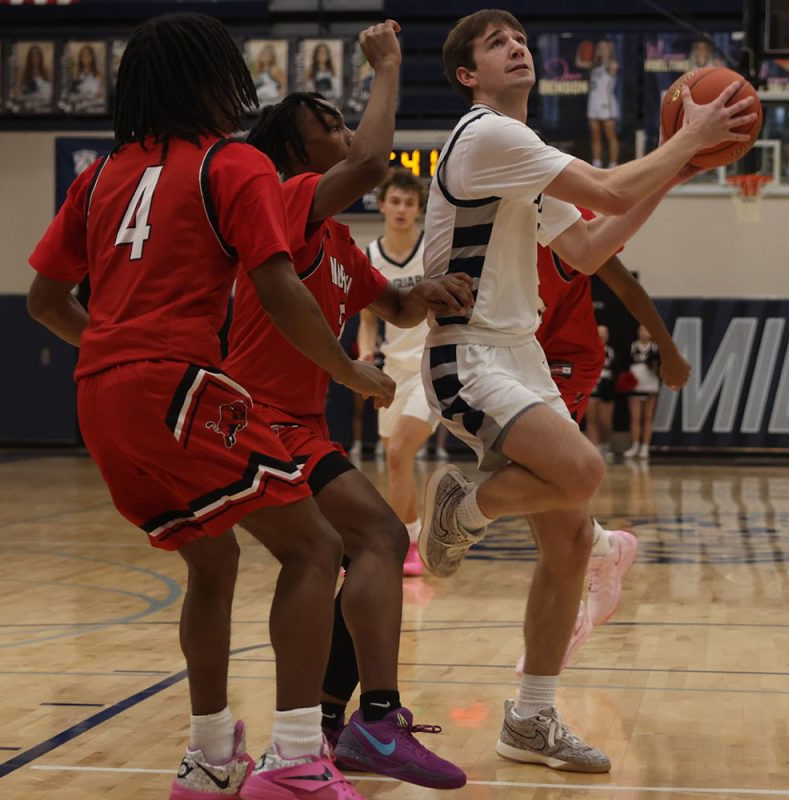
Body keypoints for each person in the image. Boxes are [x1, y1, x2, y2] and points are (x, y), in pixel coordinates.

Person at [24, 13, 394, 799]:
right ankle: (296, 762)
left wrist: (113, 351)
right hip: (178, 384)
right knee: (315, 549)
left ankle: (210, 760)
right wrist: (350, 371)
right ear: (207, 82)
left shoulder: (96, 177)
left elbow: (43, 300)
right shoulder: (231, 163)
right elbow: (277, 286)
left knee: (213, 557)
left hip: (98, 394)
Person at [417, 8, 752, 773]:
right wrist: (687, 140)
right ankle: (460, 508)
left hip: (519, 353)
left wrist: (681, 167)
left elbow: (593, 242)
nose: (517, 48)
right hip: (468, 354)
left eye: (521, 39)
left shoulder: (523, 154)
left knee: (567, 544)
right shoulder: (487, 134)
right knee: (586, 472)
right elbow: (603, 184)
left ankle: (531, 719)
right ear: (469, 75)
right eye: (496, 44)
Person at [230, 25, 469, 786]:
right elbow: (371, 160)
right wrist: (390, 68)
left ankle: (341, 720)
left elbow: (391, 306)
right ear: (295, 152)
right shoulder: (286, 201)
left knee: (359, 546)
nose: (343, 131)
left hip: (294, 426)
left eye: (343, 117)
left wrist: (422, 295)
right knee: (364, 538)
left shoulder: (335, 238)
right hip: (255, 422)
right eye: (326, 124)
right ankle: (362, 723)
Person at [523, 225, 691, 674]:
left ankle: (567, 615)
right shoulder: (489, 209)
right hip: (517, 357)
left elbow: (625, 284)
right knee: (532, 485)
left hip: (567, 358)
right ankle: (602, 548)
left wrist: (667, 348)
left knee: (543, 481)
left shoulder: (565, 214)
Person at [357, 169, 435, 577]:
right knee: (396, 463)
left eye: (410, 203)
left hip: (430, 368)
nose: (402, 209)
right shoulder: (369, 256)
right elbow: (369, 318)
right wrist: (366, 354)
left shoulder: (433, 249)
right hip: (392, 370)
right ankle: (415, 535)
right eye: (396, 201)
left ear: (419, 210)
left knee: (397, 452)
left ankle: (394, 543)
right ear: (383, 205)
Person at [624, 325, 660, 460]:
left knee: (647, 417)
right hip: (635, 386)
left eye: (647, 329)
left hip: (650, 386)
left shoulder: (655, 348)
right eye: (641, 330)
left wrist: (655, 365)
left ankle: (645, 447)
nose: (644, 332)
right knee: (635, 418)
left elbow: (660, 367)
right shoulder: (632, 346)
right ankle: (635, 445)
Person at [587, 40, 620, 168]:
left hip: (606, 103)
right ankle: (597, 163)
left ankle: (613, 164)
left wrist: (609, 53)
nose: (601, 49)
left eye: (604, 47)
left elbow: (613, 67)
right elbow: (579, 62)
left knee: (610, 135)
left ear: (610, 49)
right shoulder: (594, 65)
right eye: (599, 47)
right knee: (595, 135)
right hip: (593, 102)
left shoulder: (612, 65)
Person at [586, 325, 616, 459]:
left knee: (605, 421)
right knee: (591, 420)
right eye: (599, 333)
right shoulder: (588, 351)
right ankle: (594, 448)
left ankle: (605, 445)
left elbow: (617, 371)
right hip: (591, 386)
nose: (601, 336)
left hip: (606, 389)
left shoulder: (611, 352)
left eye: (604, 333)